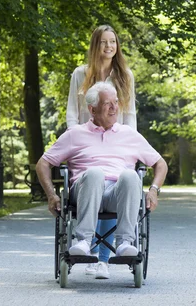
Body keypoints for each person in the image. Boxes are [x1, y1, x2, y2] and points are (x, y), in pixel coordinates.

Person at [36, 82, 167, 270]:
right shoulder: (75, 134)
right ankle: (84, 242)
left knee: (130, 176)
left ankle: (125, 244)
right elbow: (43, 163)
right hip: (84, 191)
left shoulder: (129, 134)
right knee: (95, 173)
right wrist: (51, 195)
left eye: (115, 102)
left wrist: (154, 190)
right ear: (92, 109)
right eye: (107, 103)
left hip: (118, 193)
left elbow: (160, 163)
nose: (114, 107)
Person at [66, 25, 136, 279]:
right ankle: (90, 248)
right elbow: (72, 114)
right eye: (104, 42)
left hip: (116, 143)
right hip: (87, 145)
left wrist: (129, 147)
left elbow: (130, 116)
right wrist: (77, 141)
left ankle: (104, 258)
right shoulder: (80, 74)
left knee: (116, 181)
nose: (109, 47)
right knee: (94, 180)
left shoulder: (125, 75)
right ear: (95, 45)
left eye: (113, 42)